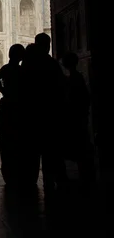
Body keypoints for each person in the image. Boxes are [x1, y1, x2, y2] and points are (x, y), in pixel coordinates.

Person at [21, 34, 67, 193]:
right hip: (49, 114)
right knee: (51, 151)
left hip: (32, 113)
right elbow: (61, 88)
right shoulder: (51, 64)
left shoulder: (28, 64)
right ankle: (53, 180)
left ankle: (30, 181)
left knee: (32, 151)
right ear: (47, 45)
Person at [0, 44, 25, 185]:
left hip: (7, 103)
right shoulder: (21, 70)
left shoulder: (6, 68)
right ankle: (16, 172)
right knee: (17, 142)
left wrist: (3, 90)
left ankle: (8, 173)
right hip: (18, 106)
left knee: (5, 143)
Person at [61, 51, 94, 186]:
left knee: (79, 146)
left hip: (75, 116)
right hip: (78, 116)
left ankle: (85, 175)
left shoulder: (74, 78)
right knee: (80, 145)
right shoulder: (76, 77)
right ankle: (85, 175)